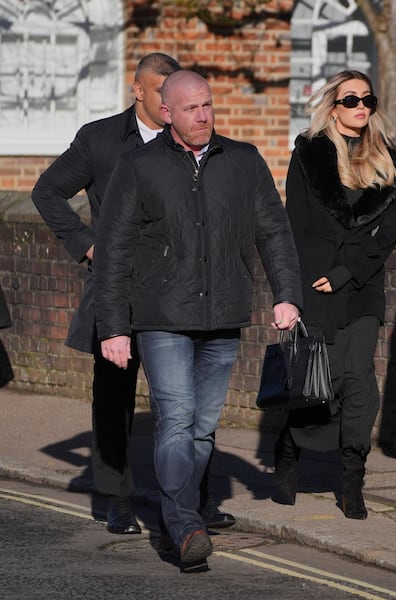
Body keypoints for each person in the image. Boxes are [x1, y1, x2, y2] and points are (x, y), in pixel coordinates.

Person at [28, 53, 245, 535]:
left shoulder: (195, 146)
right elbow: (47, 192)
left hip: (183, 293)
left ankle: (198, 500)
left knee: (190, 408)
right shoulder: (100, 139)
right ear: (141, 92)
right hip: (119, 287)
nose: (175, 107)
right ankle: (116, 498)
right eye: (161, 92)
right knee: (114, 397)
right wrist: (86, 246)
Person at [93, 70, 302, 569]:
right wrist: (114, 327)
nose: (204, 115)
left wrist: (287, 295)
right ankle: (185, 526)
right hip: (161, 316)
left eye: (208, 105)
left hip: (223, 316)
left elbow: (274, 232)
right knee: (177, 418)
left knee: (204, 428)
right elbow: (114, 253)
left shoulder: (244, 161)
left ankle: (178, 514)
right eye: (192, 108)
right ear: (167, 113)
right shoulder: (138, 167)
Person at [273, 70, 396, 520]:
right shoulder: (308, 155)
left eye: (367, 99)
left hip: (361, 288)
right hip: (314, 287)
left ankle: (352, 480)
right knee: (317, 386)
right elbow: (292, 225)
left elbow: (386, 234)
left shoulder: (390, 160)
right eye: (351, 100)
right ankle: (289, 453)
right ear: (333, 106)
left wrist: (347, 271)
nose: (361, 108)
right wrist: (290, 291)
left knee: (359, 385)